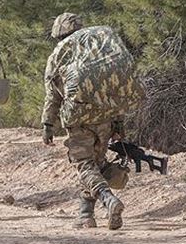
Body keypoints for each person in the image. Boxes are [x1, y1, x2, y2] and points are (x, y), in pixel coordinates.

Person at [41, 13, 142, 230]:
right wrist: (118, 123)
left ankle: (108, 199)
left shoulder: (59, 53)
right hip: (106, 116)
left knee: (84, 165)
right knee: (96, 164)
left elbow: (52, 95)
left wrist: (47, 124)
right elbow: (114, 87)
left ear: (59, 34)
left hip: (78, 118)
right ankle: (86, 214)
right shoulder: (101, 49)